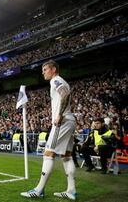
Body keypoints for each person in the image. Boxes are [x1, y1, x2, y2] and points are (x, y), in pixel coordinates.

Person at [21, 60, 77, 200]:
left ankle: (39, 190)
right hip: (70, 120)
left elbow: (65, 95)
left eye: (45, 69)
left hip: (62, 122)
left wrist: (60, 115)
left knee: (48, 153)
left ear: (53, 69)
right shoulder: (64, 81)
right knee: (67, 156)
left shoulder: (55, 80)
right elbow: (69, 99)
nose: (43, 72)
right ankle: (71, 190)